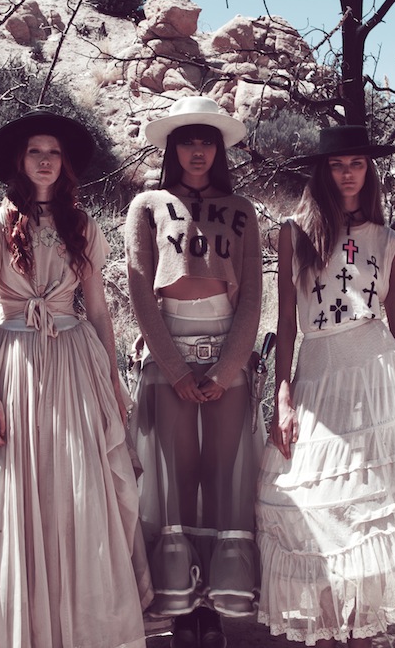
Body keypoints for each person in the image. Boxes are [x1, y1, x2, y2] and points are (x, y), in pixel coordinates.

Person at [0, 110, 151, 648]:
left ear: (65, 163)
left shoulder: (83, 225)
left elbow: (98, 311)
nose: (45, 161)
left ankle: (74, 629)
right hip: (14, 363)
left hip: (73, 364)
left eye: (54, 152)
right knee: (9, 492)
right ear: (19, 162)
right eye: (34, 152)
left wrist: (114, 382)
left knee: (75, 490)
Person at [257, 126, 395, 647]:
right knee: (298, 496)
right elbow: (287, 322)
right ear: (323, 171)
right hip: (318, 370)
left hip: (379, 373)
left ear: (369, 170)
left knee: (370, 500)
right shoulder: (294, 234)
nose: (347, 173)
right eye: (338, 164)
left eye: (357, 163)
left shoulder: (388, 240)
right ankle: (324, 628)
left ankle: (360, 630)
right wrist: (283, 394)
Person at [125, 96, 263, 648]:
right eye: (187, 141)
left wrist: (228, 369)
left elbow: (252, 297)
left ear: (219, 148)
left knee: (223, 476)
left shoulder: (241, 208)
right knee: (176, 478)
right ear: (172, 148)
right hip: (170, 354)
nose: (198, 150)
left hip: (227, 352)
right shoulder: (147, 205)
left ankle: (216, 610)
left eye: (207, 140)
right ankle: (182, 609)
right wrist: (174, 367)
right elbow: (140, 289)